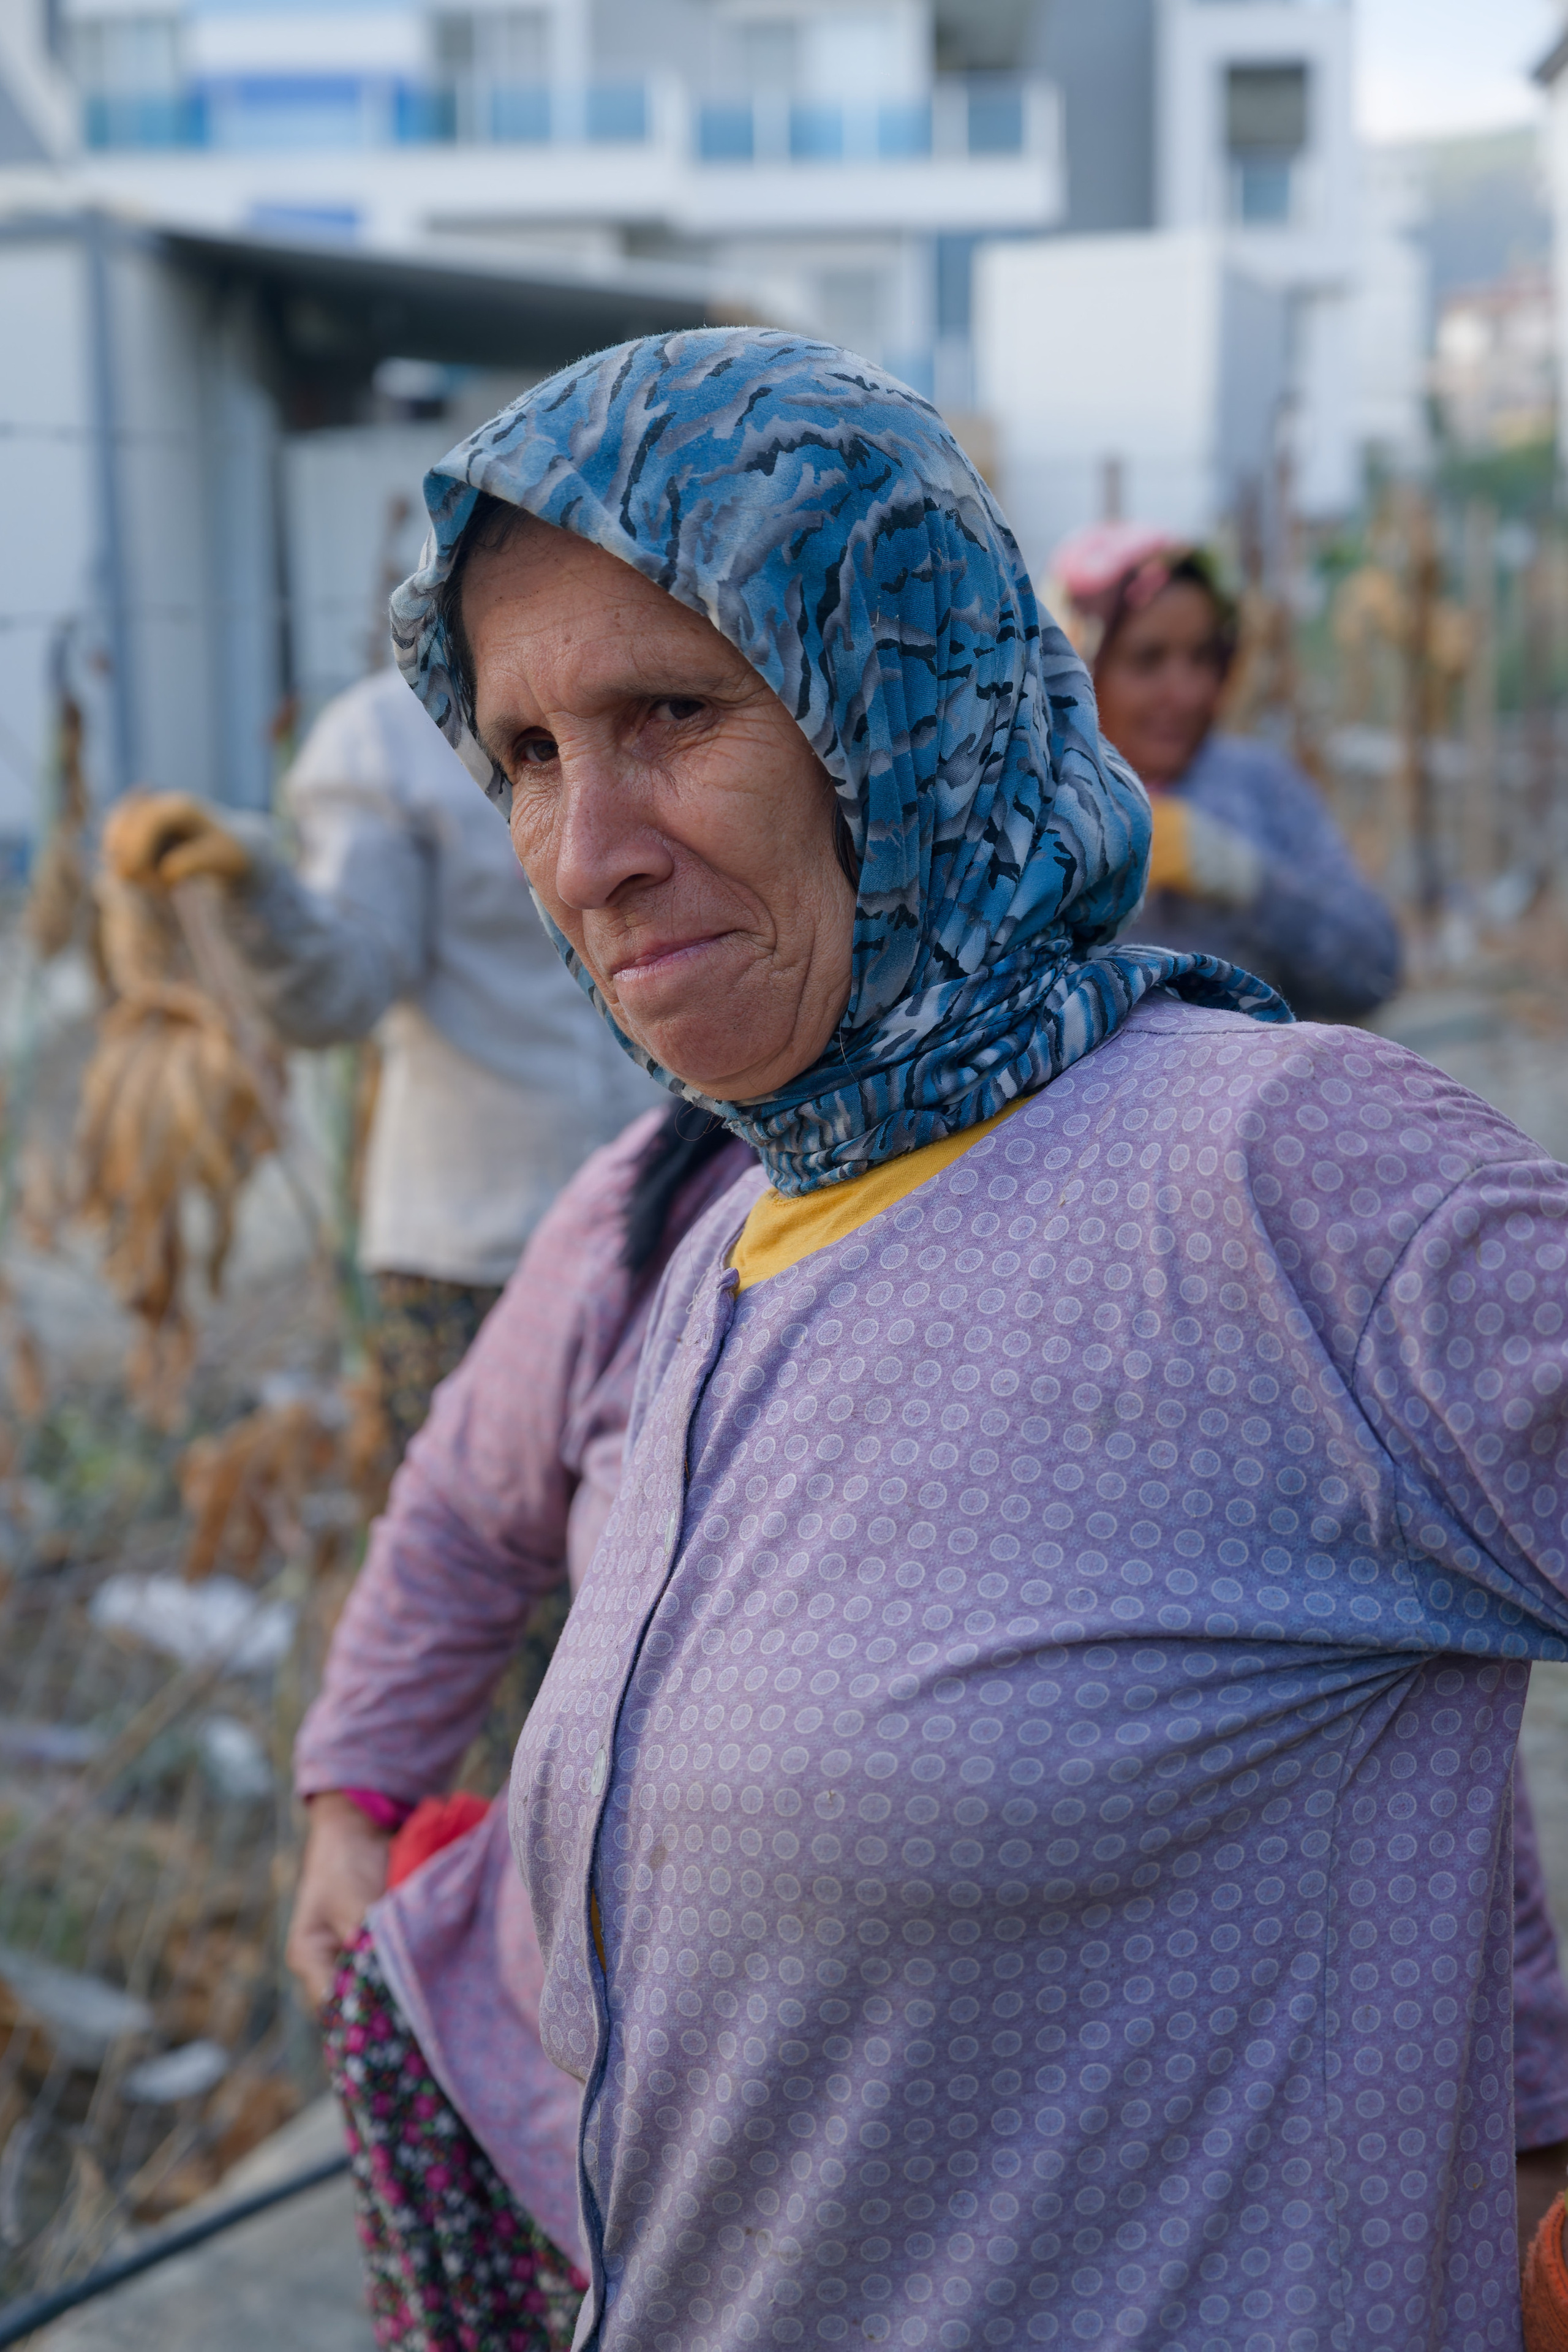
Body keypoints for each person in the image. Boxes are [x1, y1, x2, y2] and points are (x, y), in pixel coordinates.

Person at [389, 325, 1568, 2351]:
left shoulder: (1285, 1178)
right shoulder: (728, 1238)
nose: (585, 855)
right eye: (525, 756)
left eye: (673, 711)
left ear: (898, 706)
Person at [287, 1102, 754, 2346]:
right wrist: (354, 1803)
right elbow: (463, 1518)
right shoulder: (658, 1198)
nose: (605, 892)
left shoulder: (1199, 1185)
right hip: (587, 2097)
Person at [103, 665, 663, 1458]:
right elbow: (338, 991)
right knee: (481, 1554)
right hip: (473, 1254)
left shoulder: (673, 679)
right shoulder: (391, 740)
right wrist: (251, 882)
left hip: (681, 1219)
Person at [1052, 522, 1402, 1023]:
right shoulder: (1035, 807)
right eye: (1148, 660)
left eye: (1203, 657)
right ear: (1077, 666)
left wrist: (1252, 882)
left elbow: (1377, 971)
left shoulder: (1260, 784)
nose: (1188, 692)